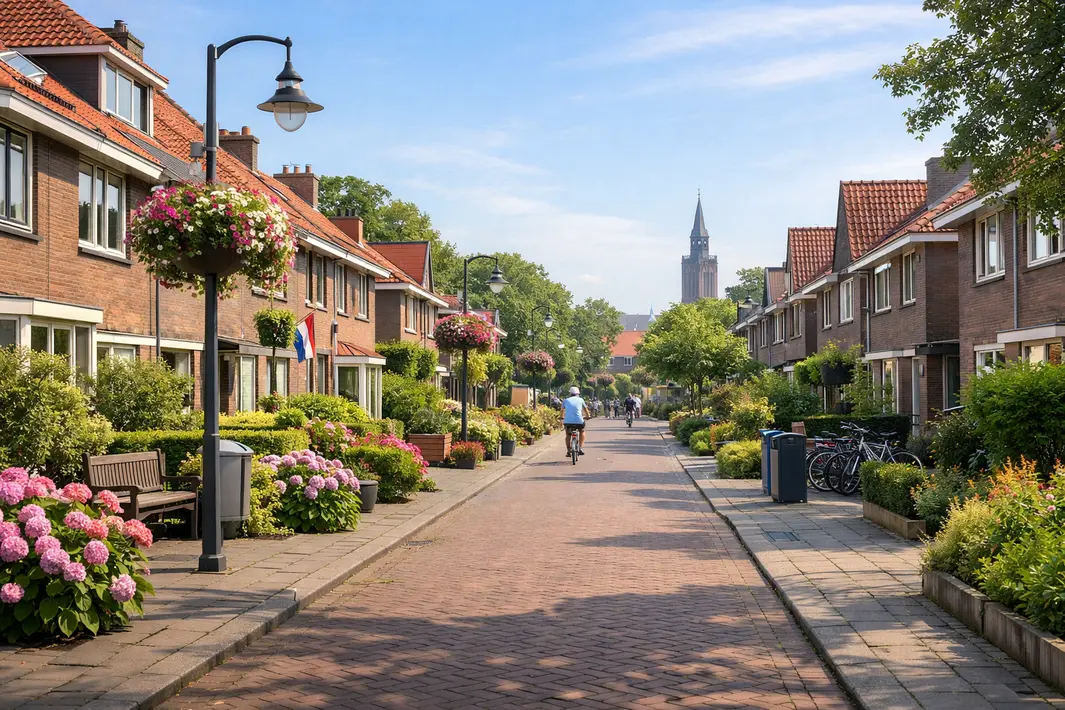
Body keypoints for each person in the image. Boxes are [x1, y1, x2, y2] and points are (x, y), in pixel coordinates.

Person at [562, 386, 590, 456]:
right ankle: (580, 448)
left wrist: (561, 417)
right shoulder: (581, 400)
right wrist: (588, 416)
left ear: (570, 393)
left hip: (568, 421)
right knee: (582, 431)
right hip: (579, 421)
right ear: (578, 394)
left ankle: (568, 450)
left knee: (568, 434)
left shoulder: (566, 400)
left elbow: (562, 410)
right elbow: (586, 410)